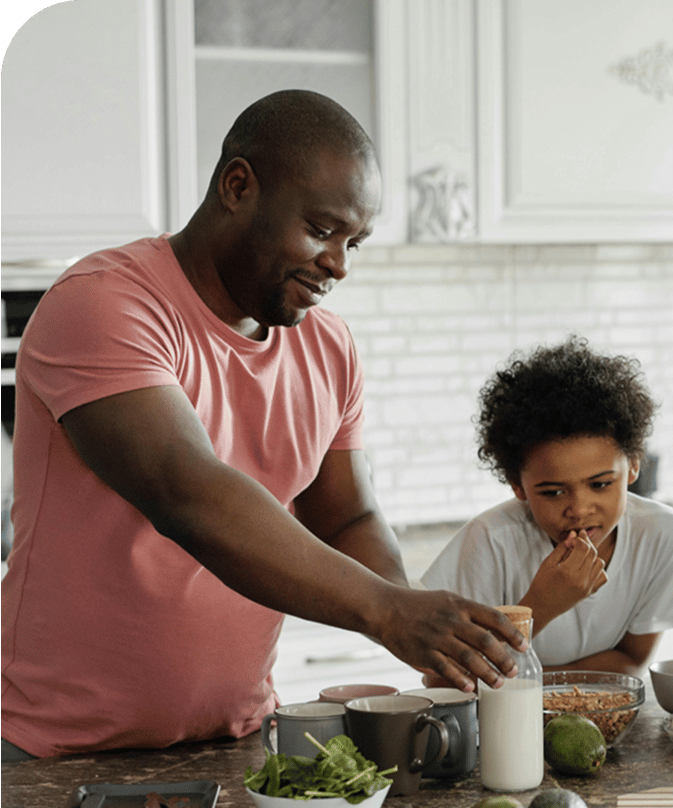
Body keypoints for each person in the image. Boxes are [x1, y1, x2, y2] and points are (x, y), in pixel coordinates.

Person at [0, 90, 525, 760]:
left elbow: (346, 519)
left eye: (353, 243)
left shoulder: (327, 346)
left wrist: (419, 622)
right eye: (320, 229)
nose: (338, 264)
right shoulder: (103, 304)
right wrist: (387, 612)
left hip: (238, 737)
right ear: (238, 185)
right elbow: (185, 493)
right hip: (54, 749)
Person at [420, 337, 673, 676]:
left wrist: (535, 683)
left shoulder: (664, 535)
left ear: (634, 465)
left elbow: (631, 661)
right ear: (516, 484)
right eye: (552, 492)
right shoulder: (490, 541)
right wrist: (541, 606)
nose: (579, 509)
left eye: (600, 484)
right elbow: (443, 679)